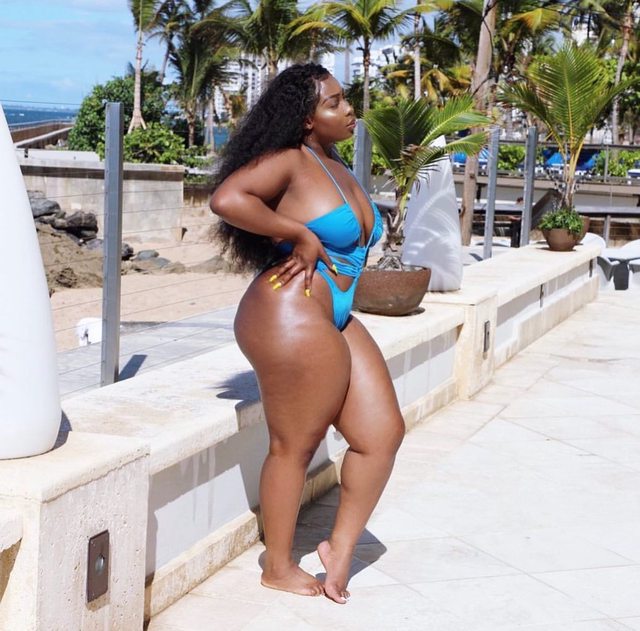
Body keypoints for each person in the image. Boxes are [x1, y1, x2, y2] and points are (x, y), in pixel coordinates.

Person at [209, 63, 405, 605]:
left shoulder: (333, 161)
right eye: (334, 102)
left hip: (333, 311)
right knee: (295, 444)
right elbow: (228, 199)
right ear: (305, 118)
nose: (349, 109)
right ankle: (276, 565)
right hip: (288, 309)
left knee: (382, 434)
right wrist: (297, 233)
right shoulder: (290, 159)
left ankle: (339, 548)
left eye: (346, 99)